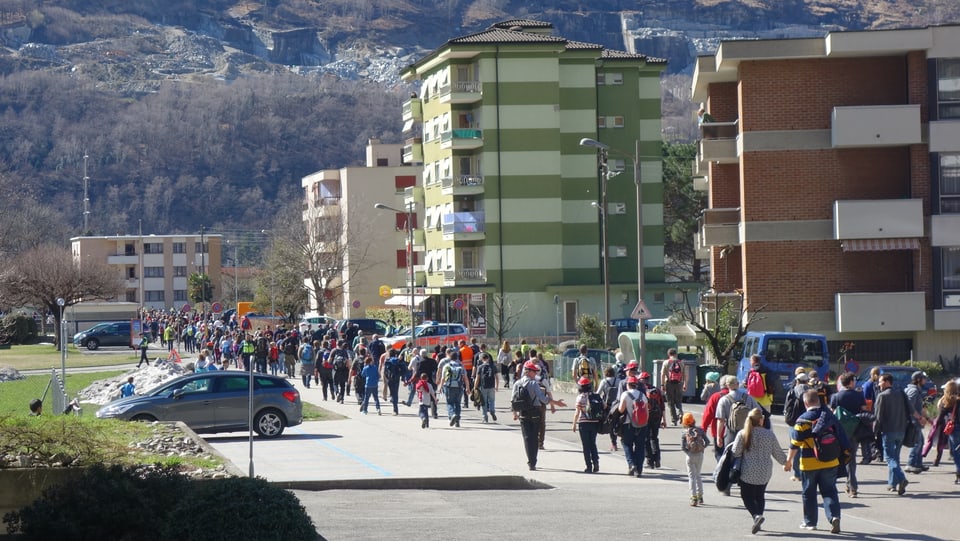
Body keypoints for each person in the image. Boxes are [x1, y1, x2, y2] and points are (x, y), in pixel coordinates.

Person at [785, 389, 844, 533]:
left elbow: (795, 444)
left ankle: (810, 522)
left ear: (805, 402)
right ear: (818, 400)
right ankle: (834, 517)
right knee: (830, 491)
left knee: (809, 493)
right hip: (831, 461)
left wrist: (788, 461)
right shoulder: (830, 416)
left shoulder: (803, 420)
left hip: (809, 463)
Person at [734, 408, 787, 534]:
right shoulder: (769, 434)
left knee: (746, 496)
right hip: (765, 471)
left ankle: (756, 516)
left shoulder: (743, 433)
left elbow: (735, 451)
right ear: (761, 420)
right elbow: (778, 453)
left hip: (748, 470)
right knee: (760, 495)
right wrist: (786, 463)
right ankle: (758, 518)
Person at [512, 360, 562, 470]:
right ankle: (533, 461)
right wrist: (555, 403)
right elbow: (542, 399)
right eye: (534, 371)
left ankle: (530, 460)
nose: (536, 374)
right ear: (529, 372)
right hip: (535, 413)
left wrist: (515, 413)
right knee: (534, 437)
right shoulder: (534, 383)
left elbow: (513, 400)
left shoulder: (517, 383)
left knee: (526, 438)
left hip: (523, 414)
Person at [829, 371, 868, 497]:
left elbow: (832, 413)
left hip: (839, 432)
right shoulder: (859, 395)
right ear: (851, 382)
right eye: (854, 380)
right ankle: (852, 487)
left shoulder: (836, 396)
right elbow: (864, 411)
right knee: (851, 460)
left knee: (836, 458)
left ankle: (831, 485)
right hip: (855, 431)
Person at [874, 372, 912, 495]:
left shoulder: (882, 396)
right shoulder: (901, 393)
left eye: (880, 381)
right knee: (895, 457)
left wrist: (875, 432)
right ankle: (892, 484)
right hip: (901, 430)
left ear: (886, 382)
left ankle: (901, 478)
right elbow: (909, 409)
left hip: (888, 431)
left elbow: (878, 417)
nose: (878, 384)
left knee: (890, 458)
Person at [618, 375, 649, 477]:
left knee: (627, 444)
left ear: (628, 385)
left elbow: (621, 410)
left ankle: (632, 464)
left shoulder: (625, 395)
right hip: (642, 424)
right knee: (640, 446)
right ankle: (639, 470)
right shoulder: (642, 395)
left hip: (628, 424)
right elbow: (647, 412)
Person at [904, 371, 933, 474]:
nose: (925, 380)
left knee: (920, 441)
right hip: (913, 421)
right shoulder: (913, 391)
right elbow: (910, 406)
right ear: (918, 380)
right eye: (923, 378)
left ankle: (918, 463)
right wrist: (919, 417)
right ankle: (910, 464)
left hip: (916, 420)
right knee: (917, 443)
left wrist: (927, 418)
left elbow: (918, 406)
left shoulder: (917, 390)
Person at [926, 379, 958, 471]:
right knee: (953, 446)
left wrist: (934, 423)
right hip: (955, 424)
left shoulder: (945, 400)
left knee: (941, 442)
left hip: (947, 425)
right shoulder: (957, 399)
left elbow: (940, 412)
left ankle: (938, 459)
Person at [572, 376, 601, 473]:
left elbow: (577, 412)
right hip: (594, 423)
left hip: (583, 423)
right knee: (593, 443)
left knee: (586, 445)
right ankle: (596, 462)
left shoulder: (580, 398)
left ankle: (588, 466)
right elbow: (604, 405)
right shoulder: (596, 396)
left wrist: (574, 423)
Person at [680, 412, 710, 507]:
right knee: (698, 475)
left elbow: (682, 447)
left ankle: (693, 498)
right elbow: (708, 441)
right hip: (700, 455)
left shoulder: (684, 433)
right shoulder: (700, 430)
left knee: (691, 477)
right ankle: (700, 496)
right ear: (693, 420)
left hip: (690, 456)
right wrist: (702, 449)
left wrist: (688, 452)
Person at [932, 380, 959, 483]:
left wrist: (934, 426)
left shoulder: (947, 402)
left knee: (956, 452)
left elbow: (940, 416)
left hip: (954, 428)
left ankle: (958, 472)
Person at [640, 371, 666, 469]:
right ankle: (657, 458)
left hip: (646, 416)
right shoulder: (656, 390)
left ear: (642, 380)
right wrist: (664, 419)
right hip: (657, 416)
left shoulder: (642, 390)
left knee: (646, 438)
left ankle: (650, 461)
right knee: (654, 437)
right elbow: (662, 405)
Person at [439, 353, 469, 427]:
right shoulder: (461, 366)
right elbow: (465, 377)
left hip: (449, 386)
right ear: (457, 358)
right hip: (459, 386)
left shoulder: (447, 366)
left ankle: (452, 415)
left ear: (450, 358)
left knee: (450, 403)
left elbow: (443, 378)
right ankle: (457, 421)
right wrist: (468, 387)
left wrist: (440, 386)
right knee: (458, 403)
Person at [660, 348, 686, 425]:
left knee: (670, 402)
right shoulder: (681, 363)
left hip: (669, 383)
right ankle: (680, 413)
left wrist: (662, 384)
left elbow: (662, 374)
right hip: (679, 383)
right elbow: (685, 374)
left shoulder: (666, 362)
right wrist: (684, 384)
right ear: (675, 354)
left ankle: (674, 420)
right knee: (678, 401)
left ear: (669, 354)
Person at [598, 366, 620, 451]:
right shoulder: (618, 381)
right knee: (616, 422)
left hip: (607, 405)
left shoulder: (604, 381)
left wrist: (602, 403)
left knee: (610, 423)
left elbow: (598, 393)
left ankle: (613, 443)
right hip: (617, 405)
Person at [475, 352, 499, 423]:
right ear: (488, 358)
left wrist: (475, 387)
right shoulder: (493, 366)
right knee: (492, 400)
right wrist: (496, 386)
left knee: (484, 402)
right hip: (491, 386)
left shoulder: (480, 367)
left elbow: (477, 378)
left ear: (482, 359)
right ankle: (492, 410)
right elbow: (497, 377)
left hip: (483, 386)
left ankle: (485, 417)